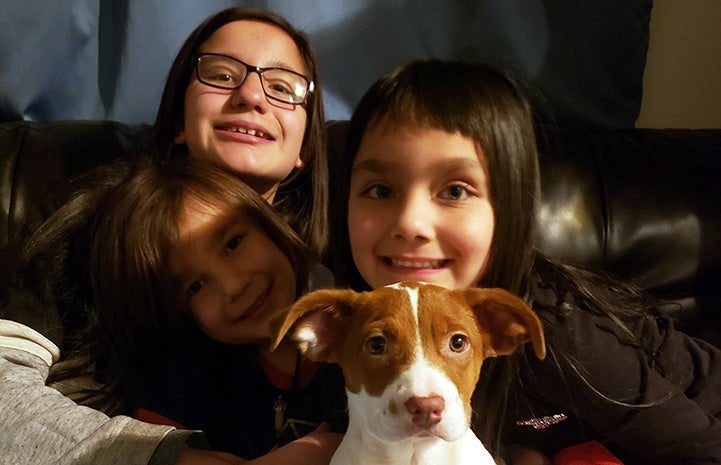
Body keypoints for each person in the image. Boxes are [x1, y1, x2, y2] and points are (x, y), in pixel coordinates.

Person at [329, 59, 721, 465]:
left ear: (510, 211)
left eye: (456, 191)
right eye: (379, 190)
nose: (410, 223)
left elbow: (703, 449)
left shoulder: (560, 334)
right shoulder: (351, 314)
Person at [0, 6, 332, 465]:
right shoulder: (85, 222)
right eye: (221, 74)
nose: (252, 95)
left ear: (306, 147)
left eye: (281, 86)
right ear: (178, 120)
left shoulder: (351, 250)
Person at [4, 156, 346, 464]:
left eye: (233, 243)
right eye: (195, 286)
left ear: (269, 225)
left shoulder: (358, 321)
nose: (233, 286)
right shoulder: (185, 380)